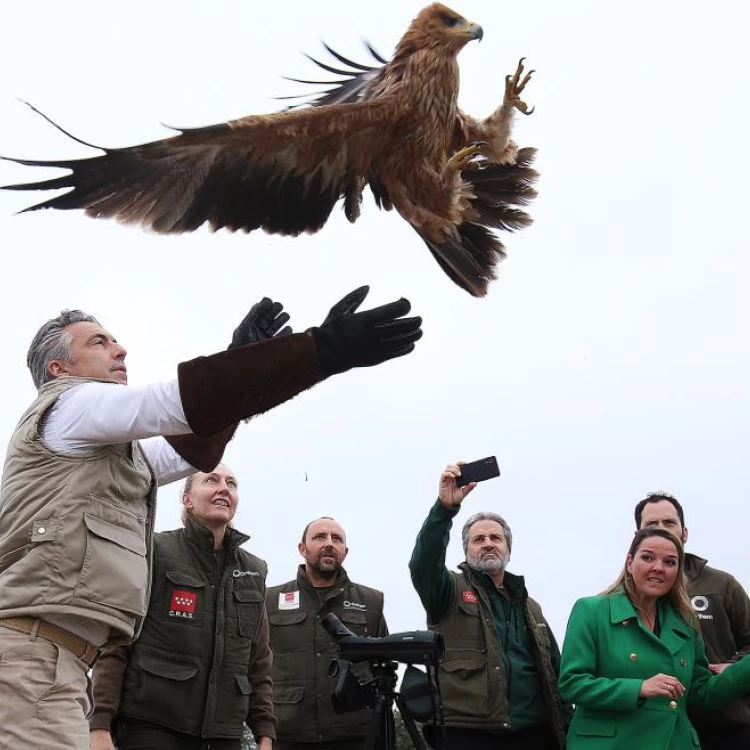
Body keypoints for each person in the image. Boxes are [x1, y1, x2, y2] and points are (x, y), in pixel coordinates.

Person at [0, 286, 421, 750]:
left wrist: (247, 363)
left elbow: (195, 446)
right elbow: (177, 403)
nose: (120, 349)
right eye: (97, 342)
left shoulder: (116, 450)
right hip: (31, 655)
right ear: (59, 369)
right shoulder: (68, 404)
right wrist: (321, 350)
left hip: (59, 661)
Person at [89, 463, 273, 750]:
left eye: (231, 483)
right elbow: (117, 644)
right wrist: (100, 724)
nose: (224, 488)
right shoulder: (155, 551)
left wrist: (265, 733)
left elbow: (258, 663)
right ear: (187, 499)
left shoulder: (253, 571)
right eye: (211, 480)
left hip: (223, 734)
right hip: (152, 726)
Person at [409, 462, 569, 750]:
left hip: (535, 734)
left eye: (496, 538)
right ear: (466, 549)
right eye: (478, 539)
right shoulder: (448, 591)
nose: (488, 544)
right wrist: (444, 510)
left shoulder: (531, 607)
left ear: (508, 547)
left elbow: (555, 671)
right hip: (468, 734)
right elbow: (423, 564)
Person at [559, 527, 750, 750]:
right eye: (648, 557)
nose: (658, 568)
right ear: (630, 563)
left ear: (678, 572)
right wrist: (639, 688)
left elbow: (701, 695)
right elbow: (572, 683)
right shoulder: (591, 610)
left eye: (670, 562)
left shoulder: (686, 623)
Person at [634, 492, 750, 749]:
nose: (662, 530)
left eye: (669, 522)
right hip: (659, 729)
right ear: (637, 536)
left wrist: (735, 666)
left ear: (684, 532)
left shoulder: (723, 585)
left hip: (727, 725)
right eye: (652, 525)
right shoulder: (626, 598)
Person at [266, 516, 388, 750]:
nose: (329, 543)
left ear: (346, 551)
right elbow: (254, 664)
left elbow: (381, 667)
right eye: (320, 537)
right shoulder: (270, 600)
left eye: (337, 538)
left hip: (355, 733)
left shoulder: (371, 601)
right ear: (302, 548)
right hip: (287, 732)